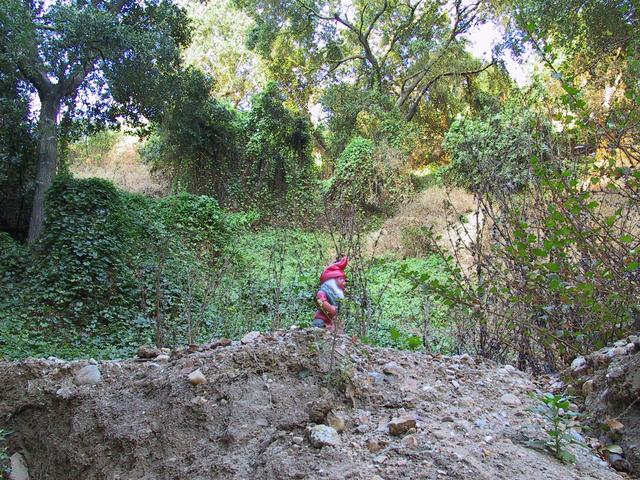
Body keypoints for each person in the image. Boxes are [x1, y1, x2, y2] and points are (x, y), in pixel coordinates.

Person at [313, 257, 348, 333]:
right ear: (333, 280)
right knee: (319, 327)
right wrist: (331, 309)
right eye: (342, 279)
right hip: (322, 320)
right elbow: (321, 302)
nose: (345, 283)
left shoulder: (336, 296)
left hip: (331, 322)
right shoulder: (321, 293)